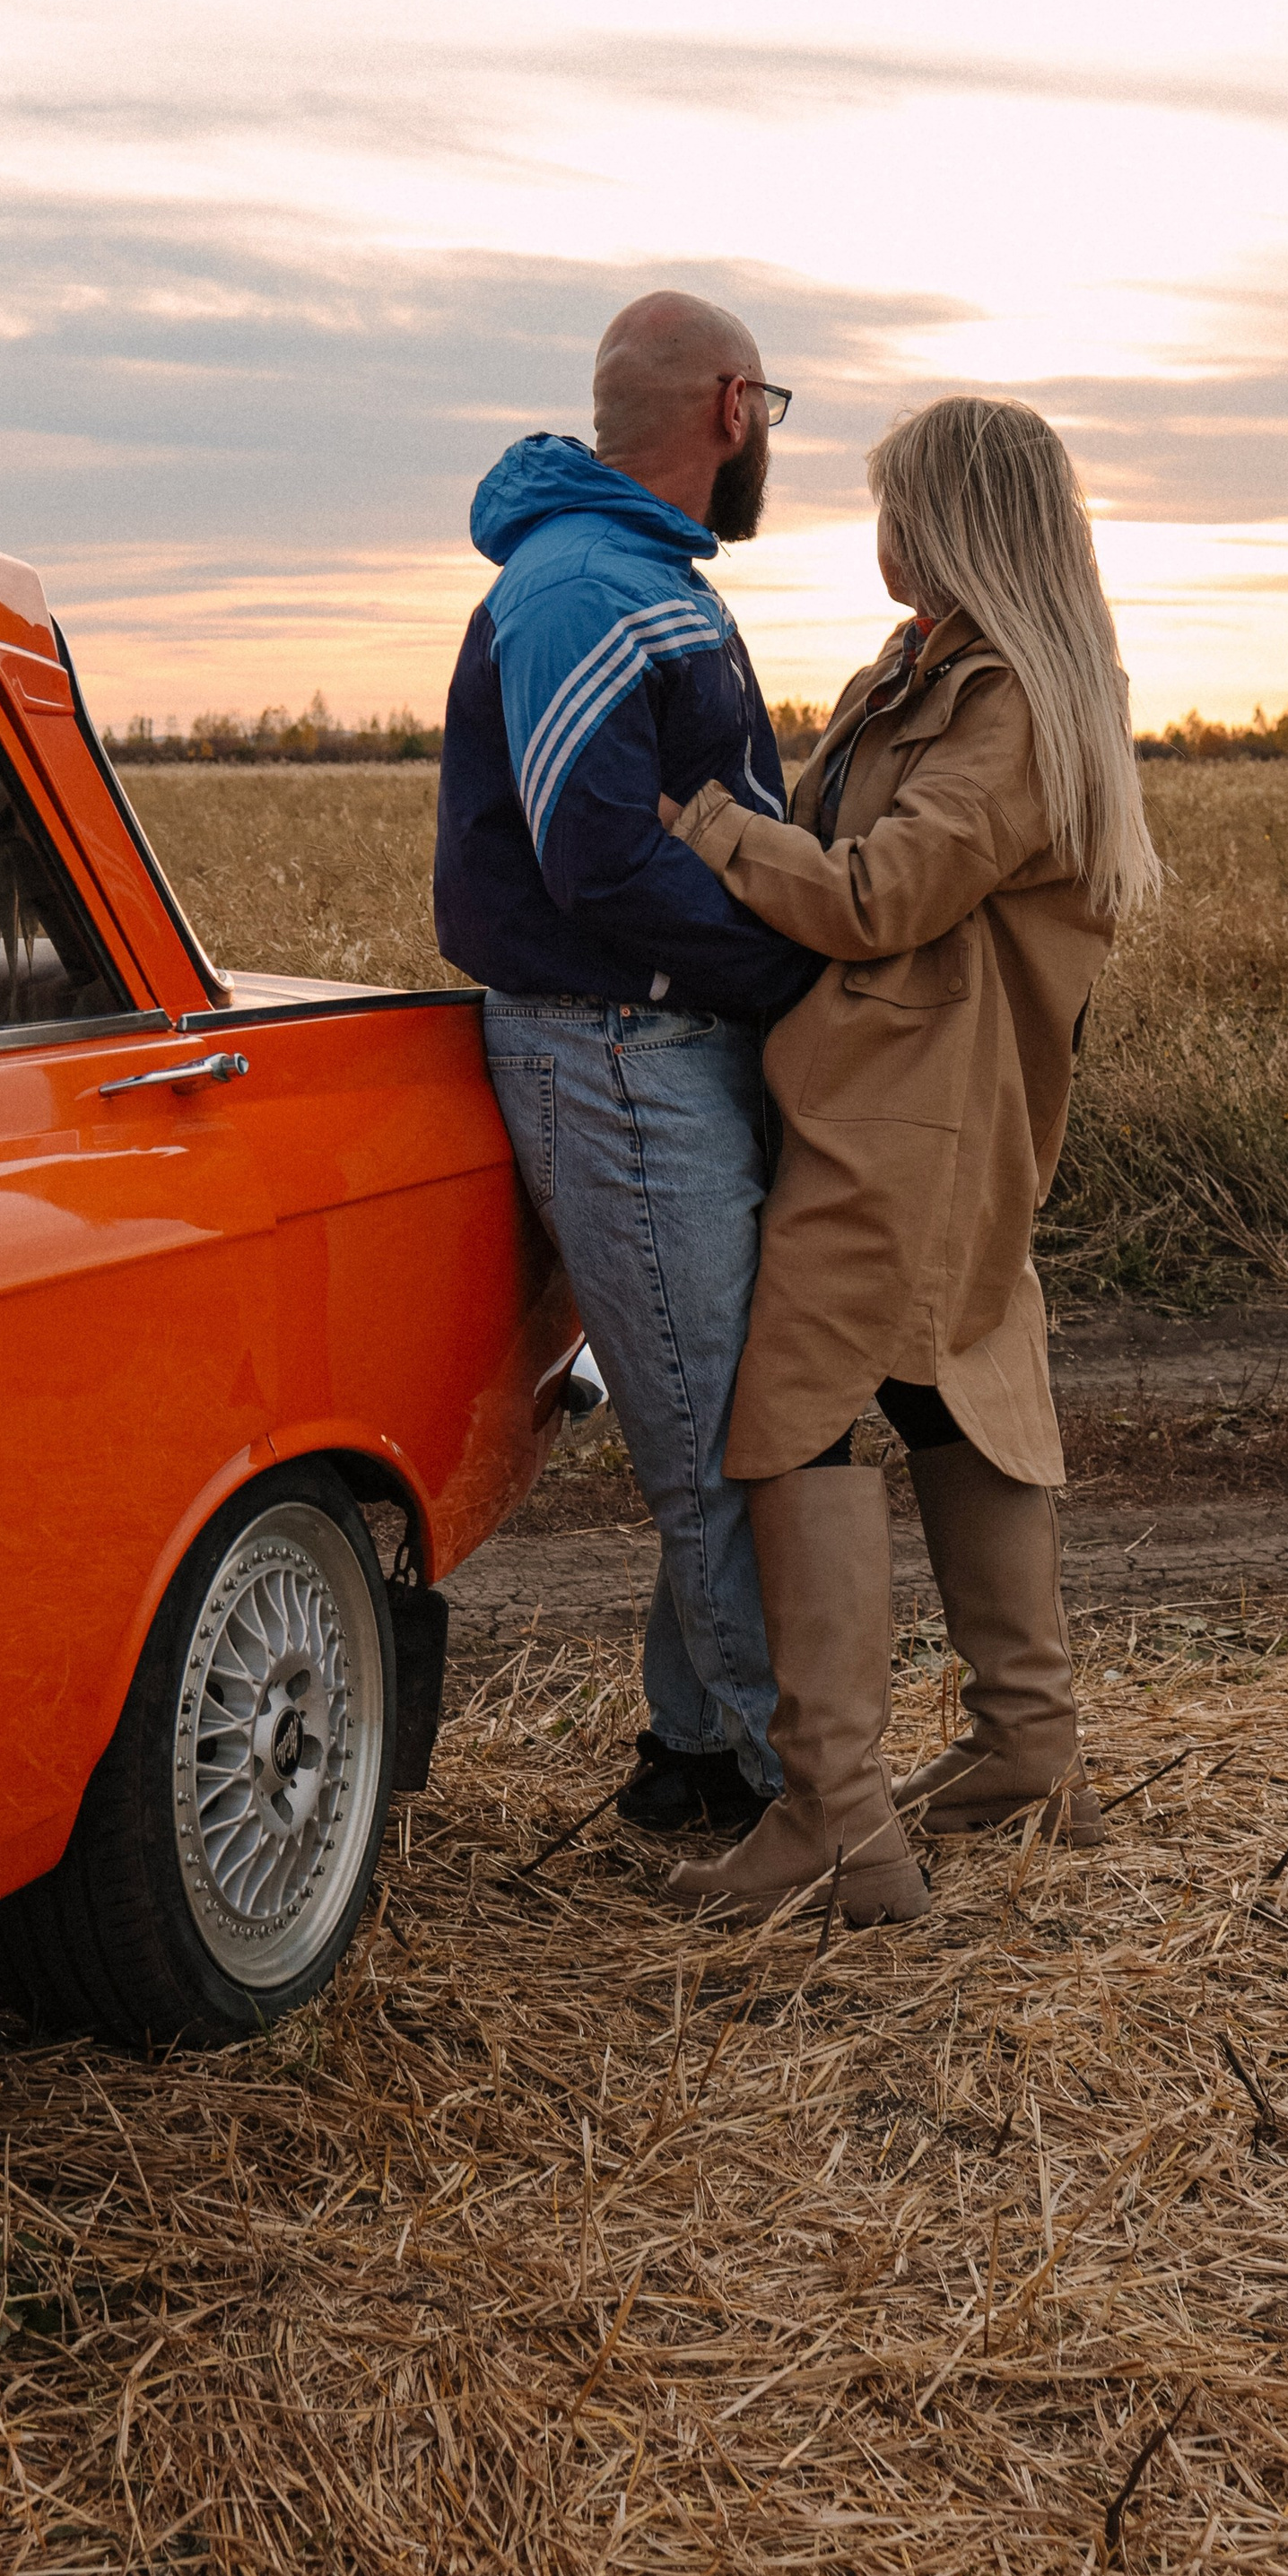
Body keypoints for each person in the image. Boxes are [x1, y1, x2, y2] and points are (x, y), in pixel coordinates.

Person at [660, 395, 1162, 1927]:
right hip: (907, 1106)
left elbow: (882, 893)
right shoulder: (931, 671)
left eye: (890, 502)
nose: (871, 528)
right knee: (950, 1396)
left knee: (791, 1419)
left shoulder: (1008, 701)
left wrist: (703, 831)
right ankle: (1027, 1753)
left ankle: (839, 1821)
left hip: (908, 1122)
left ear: (949, 520)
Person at [433, 292, 819, 1832]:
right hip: (618, 1049)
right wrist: (801, 950)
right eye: (771, 408)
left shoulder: (630, 570)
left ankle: (696, 1755)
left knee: (722, 1408)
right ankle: (778, 1785)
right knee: (711, 1427)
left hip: (660, 1040)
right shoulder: (587, 583)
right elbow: (593, 857)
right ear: (732, 405)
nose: (770, 438)